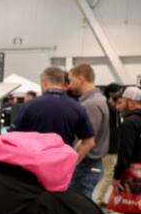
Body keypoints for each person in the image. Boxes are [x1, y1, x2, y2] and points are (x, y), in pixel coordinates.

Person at [12, 67, 95, 165]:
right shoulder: (77, 107)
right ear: (63, 83)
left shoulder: (28, 106)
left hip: (34, 168)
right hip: (61, 168)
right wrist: (71, 163)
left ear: (45, 83)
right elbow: (89, 142)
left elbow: (13, 138)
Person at [65, 64, 110, 198]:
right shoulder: (98, 100)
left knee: (78, 209)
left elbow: (86, 141)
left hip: (86, 165)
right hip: (89, 165)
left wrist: (70, 164)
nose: (69, 85)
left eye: (71, 80)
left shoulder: (90, 104)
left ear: (80, 79)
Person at [113, 86, 141, 214]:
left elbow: (125, 154)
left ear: (131, 102)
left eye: (121, 101)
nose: (118, 105)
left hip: (133, 174)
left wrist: (117, 177)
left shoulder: (129, 123)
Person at [97, 83, 123, 205]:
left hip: (112, 146)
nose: (121, 95)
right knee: (109, 175)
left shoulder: (112, 108)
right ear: (112, 94)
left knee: (107, 174)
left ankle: (101, 199)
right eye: (119, 92)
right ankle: (99, 200)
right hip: (110, 147)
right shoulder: (109, 108)